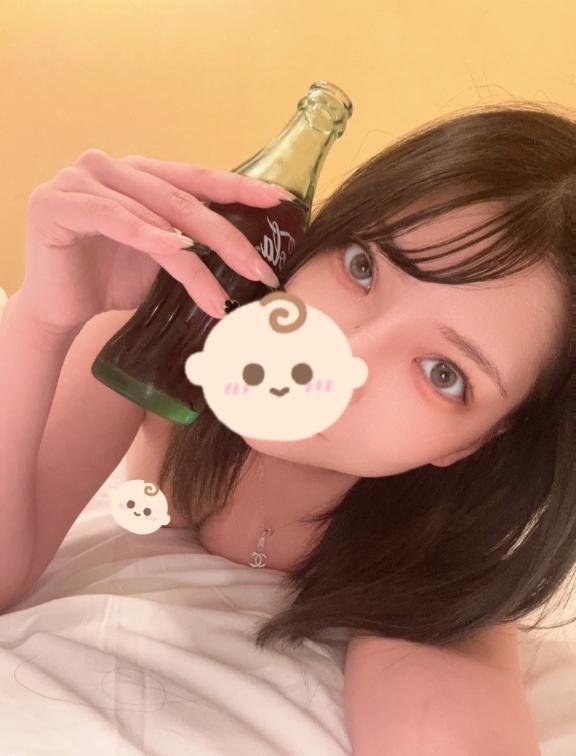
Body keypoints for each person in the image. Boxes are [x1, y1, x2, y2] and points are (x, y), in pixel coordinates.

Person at [2, 103, 574, 753]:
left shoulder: (437, 565)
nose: (340, 353)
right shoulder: (172, 344)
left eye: (444, 373)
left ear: (478, 439)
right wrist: (41, 320)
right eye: (362, 267)